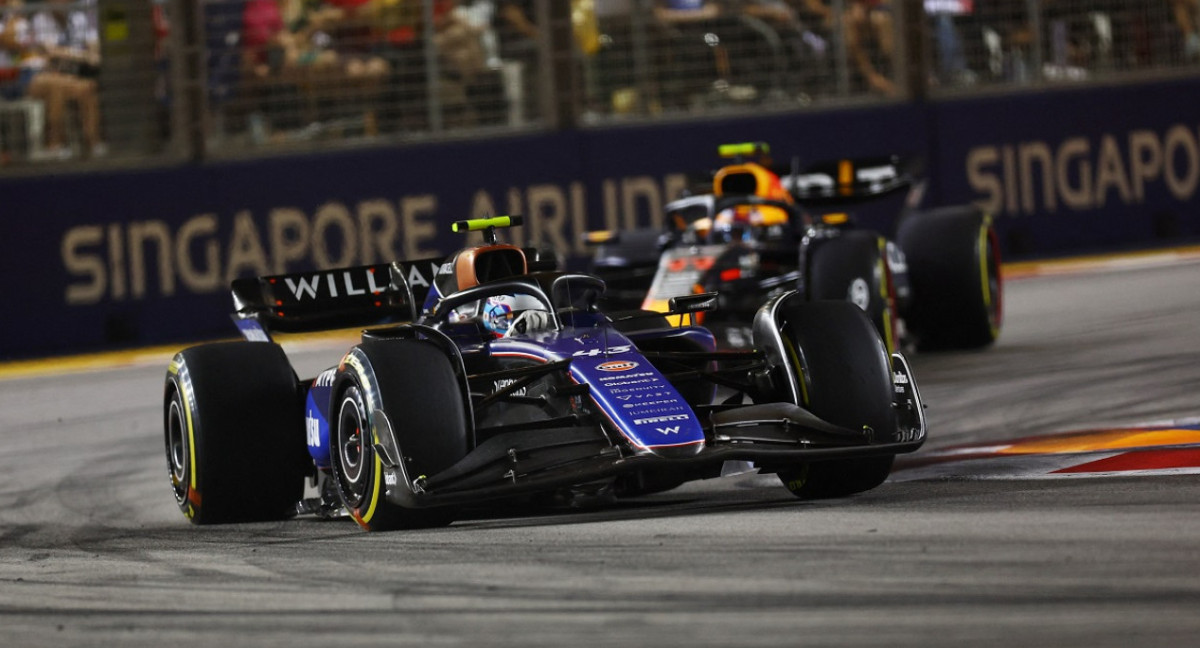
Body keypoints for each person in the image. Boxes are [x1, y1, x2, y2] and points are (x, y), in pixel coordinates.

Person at [25, 0, 104, 158]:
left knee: (88, 87)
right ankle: (54, 144)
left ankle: (92, 143)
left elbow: (95, 49)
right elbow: (52, 52)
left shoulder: (78, 18)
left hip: (69, 76)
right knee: (57, 85)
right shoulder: (40, 19)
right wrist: (83, 55)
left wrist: (82, 54)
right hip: (37, 76)